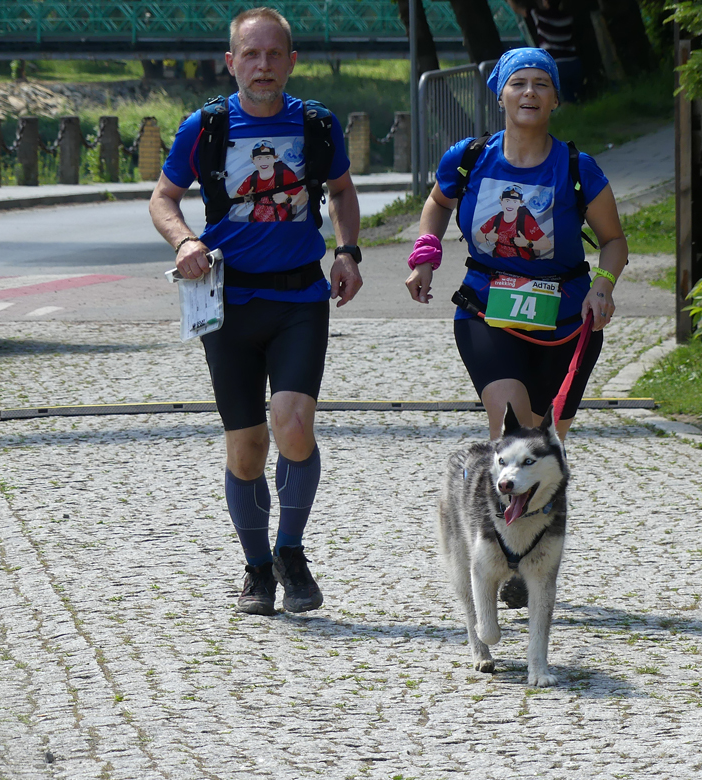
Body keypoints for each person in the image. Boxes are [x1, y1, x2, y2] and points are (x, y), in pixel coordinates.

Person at [149, 7, 363, 616]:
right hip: (227, 302)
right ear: (231, 62)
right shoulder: (206, 127)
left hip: (299, 299)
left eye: (274, 55)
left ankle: (290, 550)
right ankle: (257, 567)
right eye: (251, 54)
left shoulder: (317, 125)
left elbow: (341, 191)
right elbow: (163, 198)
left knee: (292, 425)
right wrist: (184, 242)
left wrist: (346, 251)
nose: (262, 66)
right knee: (245, 447)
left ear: (291, 62)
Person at [405, 47, 627, 444]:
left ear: (555, 99)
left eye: (541, 84)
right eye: (518, 83)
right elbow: (438, 202)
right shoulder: (470, 158)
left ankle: (503, 487)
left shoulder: (577, 168)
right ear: (500, 95)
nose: (529, 92)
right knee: (513, 437)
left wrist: (603, 286)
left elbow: (614, 240)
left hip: (566, 322)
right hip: (486, 311)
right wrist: (425, 255)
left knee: (543, 449)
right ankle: (490, 486)